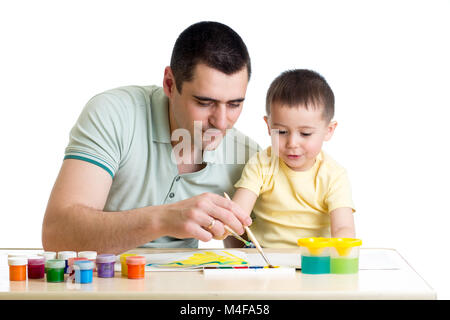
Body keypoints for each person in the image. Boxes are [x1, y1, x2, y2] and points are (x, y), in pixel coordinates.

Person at [42, 21, 259, 254]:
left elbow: (252, 257)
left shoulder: (247, 156)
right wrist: (163, 219)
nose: (222, 122)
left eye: (235, 104)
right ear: (169, 84)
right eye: (205, 103)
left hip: (183, 288)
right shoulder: (114, 114)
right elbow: (57, 234)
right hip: (99, 284)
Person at [224, 69, 356, 248]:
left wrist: (341, 255)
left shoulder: (334, 175)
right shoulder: (262, 164)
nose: (292, 143)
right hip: (264, 261)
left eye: (305, 133)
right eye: (282, 132)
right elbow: (238, 214)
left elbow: (343, 228)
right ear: (269, 126)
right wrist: (228, 221)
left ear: (329, 130)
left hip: (313, 261)